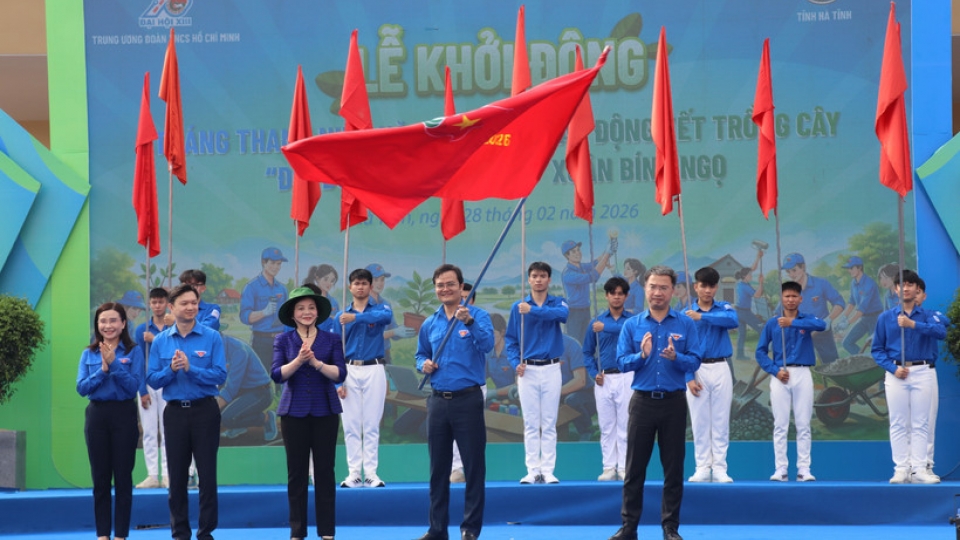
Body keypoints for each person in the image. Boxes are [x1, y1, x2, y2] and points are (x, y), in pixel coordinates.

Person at [609, 265, 701, 540]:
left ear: (672, 290)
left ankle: (670, 528)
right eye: (652, 286)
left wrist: (677, 358)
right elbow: (621, 362)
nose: (657, 292)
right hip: (642, 403)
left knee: (673, 470)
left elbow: (695, 360)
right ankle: (629, 528)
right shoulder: (632, 325)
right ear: (645, 289)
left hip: (673, 403)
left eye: (663, 287)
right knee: (634, 469)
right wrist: (642, 355)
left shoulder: (685, 323)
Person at [415, 264, 493, 540]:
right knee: (438, 469)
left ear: (461, 287)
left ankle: (470, 528)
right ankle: (437, 529)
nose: (445, 289)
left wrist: (469, 322)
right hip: (437, 401)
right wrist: (423, 364)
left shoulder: (478, 316)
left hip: (468, 400)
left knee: (473, 466)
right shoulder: (430, 322)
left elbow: (487, 345)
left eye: (450, 284)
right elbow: (420, 354)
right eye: (440, 285)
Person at [147, 283, 227, 540]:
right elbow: (153, 379)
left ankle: (206, 532)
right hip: (175, 414)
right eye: (184, 303)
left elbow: (220, 375)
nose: (191, 307)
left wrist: (192, 369)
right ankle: (180, 532)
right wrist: (171, 369)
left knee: (207, 475)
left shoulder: (211, 337)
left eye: (194, 303)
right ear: (172, 307)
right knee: (177, 476)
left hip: (205, 411)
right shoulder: (161, 341)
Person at [271, 286, 347, 540]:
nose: (307, 312)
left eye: (311, 308)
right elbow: (277, 374)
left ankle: (327, 531)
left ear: (318, 312)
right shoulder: (283, 340)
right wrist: (299, 361)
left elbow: (340, 373)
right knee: (296, 473)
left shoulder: (332, 339)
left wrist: (315, 363)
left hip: (325, 411)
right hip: (293, 413)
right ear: (292, 314)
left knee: (325, 472)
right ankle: (297, 531)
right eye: (301, 308)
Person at [871, 269, 945, 484]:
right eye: (901, 285)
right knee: (898, 422)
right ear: (895, 290)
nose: (905, 288)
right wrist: (892, 369)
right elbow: (877, 349)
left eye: (910, 285)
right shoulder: (885, 317)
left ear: (917, 289)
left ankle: (919, 469)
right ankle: (901, 468)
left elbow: (940, 332)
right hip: (897, 373)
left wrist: (913, 324)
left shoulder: (927, 315)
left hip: (922, 371)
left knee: (921, 422)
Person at [76, 302, 143, 540]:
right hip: (97, 416)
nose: (108, 325)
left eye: (113, 320)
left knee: (123, 477)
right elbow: (82, 388)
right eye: (103, 321)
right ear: (97, 325)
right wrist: (102, 370)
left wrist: (114, 364)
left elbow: (133, 387)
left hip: (124, 414)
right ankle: (103, 535)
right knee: (100, 478)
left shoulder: (134, 351)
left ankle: (121, 535)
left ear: (123, 323)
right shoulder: (89, 353)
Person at [755, 281, 826, 483]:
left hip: (803, 373)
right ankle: (781, 469)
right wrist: (774, 371)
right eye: (787, 296)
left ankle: (804, 469)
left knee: (803, 423)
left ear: (800, 299)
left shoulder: (807, 319)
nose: (790, 300)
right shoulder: (772, 323)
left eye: (794, 296)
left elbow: (822, 325)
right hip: (781, 375)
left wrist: (792, 323)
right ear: (781, 298)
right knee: (781, 424)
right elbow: (760, 352)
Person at [505, 261, 569, 484]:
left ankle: (548, 470)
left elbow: (562, 315)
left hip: (551, 368)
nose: (538, 280)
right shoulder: (518, 307)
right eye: (534, 276)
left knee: (549, 422)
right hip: (528, 370)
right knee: (531, 422)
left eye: (542, 276)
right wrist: (516, 363)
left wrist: (533, 310)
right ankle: (532, 470)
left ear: (549, 279)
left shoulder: (558, 302)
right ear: (529, 279)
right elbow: (511, 340)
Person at [333, 268, 393, 488]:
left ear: (370, 286)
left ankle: (371, 474)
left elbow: (385, 317)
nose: (360, 287)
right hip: (348, 369)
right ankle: (354, 474)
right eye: (356, 283)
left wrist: (356, 318)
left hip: (374, 368)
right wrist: (338, 381)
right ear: (350, 287)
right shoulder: (340, 317)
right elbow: (334, 349)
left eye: (364, 283)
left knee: (371, 424)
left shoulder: (380, 309)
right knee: (350, 424)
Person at [684, 267, 738, 483]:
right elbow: (682, 348)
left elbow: (732, 321)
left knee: (720, 420)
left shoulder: (724, 308)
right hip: (697, 368)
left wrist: (703, 317)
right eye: (703, 286)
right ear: (695, 287)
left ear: (716, 287)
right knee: (699, 421)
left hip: (721, 366)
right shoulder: (686, 314)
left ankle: (720, 468)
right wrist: (689, 377)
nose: (708, 290)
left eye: (712, 286)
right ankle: (702, 467)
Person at [582, 276, 634, 481]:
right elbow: (587, 352)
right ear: (606, 296)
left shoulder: (632, 321)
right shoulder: (596, 323)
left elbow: (632, 334)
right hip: (604, 378)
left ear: (626, 296)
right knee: (606, 425)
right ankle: (609, 467)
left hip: (627, 376)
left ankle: (624, 466)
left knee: (625, 424)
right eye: (613, 293)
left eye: (621, 293)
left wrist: (606, 328)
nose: (617, 297)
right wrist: (593, 373)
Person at [134, 287, 174, 489]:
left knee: (168, 430)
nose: (157, 306)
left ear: (167, 304)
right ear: (149, 304)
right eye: (154, 302)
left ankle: (167, 474)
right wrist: (141, 390)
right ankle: (152, 475)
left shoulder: (172, 327)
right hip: (148, 383)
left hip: (168, 382)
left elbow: (176, 350)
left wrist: (156, 338)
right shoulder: (142, 330)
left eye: (161, 302)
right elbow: (138, 361)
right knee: (149, 431)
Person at [781, 253, 845, 364]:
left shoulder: (821, 283)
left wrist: (828, 320)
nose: (791, 275)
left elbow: (839, 303)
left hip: (822, 333)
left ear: (803, 267)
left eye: (794, 270)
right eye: (788, 272)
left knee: (832, 364)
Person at [218, 333, 278, 442]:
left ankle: (266, 418)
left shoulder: (238, 350)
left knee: (226, 418)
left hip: (259, 392)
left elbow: (231, 388)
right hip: (241, 392)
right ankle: (238, 425)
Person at [240, 247, 290, 374]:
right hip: (261, 340)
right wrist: (263, 312)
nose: (276, 267)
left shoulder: (282, 289)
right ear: (263, 262)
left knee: (281, 376)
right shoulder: (251, 287)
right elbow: (244, 316)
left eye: (279, 264)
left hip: (280, 339)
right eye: (272, 263)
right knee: (261, 377)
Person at [560, 240, 611, 343]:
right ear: (567, 256)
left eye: (578, 250)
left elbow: (595, 263)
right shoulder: (568, 274)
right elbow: (593, 277)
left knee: (586, 341)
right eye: (573, 251)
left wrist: (608, 248)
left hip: (585, 311)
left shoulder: (581, 266)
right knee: (575, 342)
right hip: (574, 313)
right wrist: (607, 255)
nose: (578, 253)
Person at [367, 263, 416, 363]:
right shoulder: (361, 305)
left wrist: (404, 330)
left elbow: (394, 333)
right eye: (375, 280)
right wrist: (394, 332)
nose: (380, 283)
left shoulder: (386, 304)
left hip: (385, 356)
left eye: (382, 280)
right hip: (368, 356)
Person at [836, 256, 884, 355]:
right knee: (847, 343)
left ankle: (872, 360)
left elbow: (861, 309)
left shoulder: (869, 283)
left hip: (875, 319)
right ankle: (864, 360)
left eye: (851, 268)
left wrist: (847, 323)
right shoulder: (853, 283)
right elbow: (851, 302)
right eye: (848, 268)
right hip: (864, 319)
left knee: (876, 348)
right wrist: (844, 317)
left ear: (860, 268)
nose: (849, 271)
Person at [734, 252, 765, 361]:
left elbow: (752, 268)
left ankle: (739, 355)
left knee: (742, 334)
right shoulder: (745, 287)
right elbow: (757, 295)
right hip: (745, 312)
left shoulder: (740, 283)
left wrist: (758, 257)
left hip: (738, 312)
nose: (751, 276)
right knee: (762, 328)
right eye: (750, 275)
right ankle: (762, 352)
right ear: (744, 276)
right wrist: (761, 283)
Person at [305, 264, 340, 333]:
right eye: (326, 279)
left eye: (332, 281)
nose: (329, 283)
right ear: (317, 278)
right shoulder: (308, 299)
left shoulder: (334, 302)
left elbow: (336, 324)